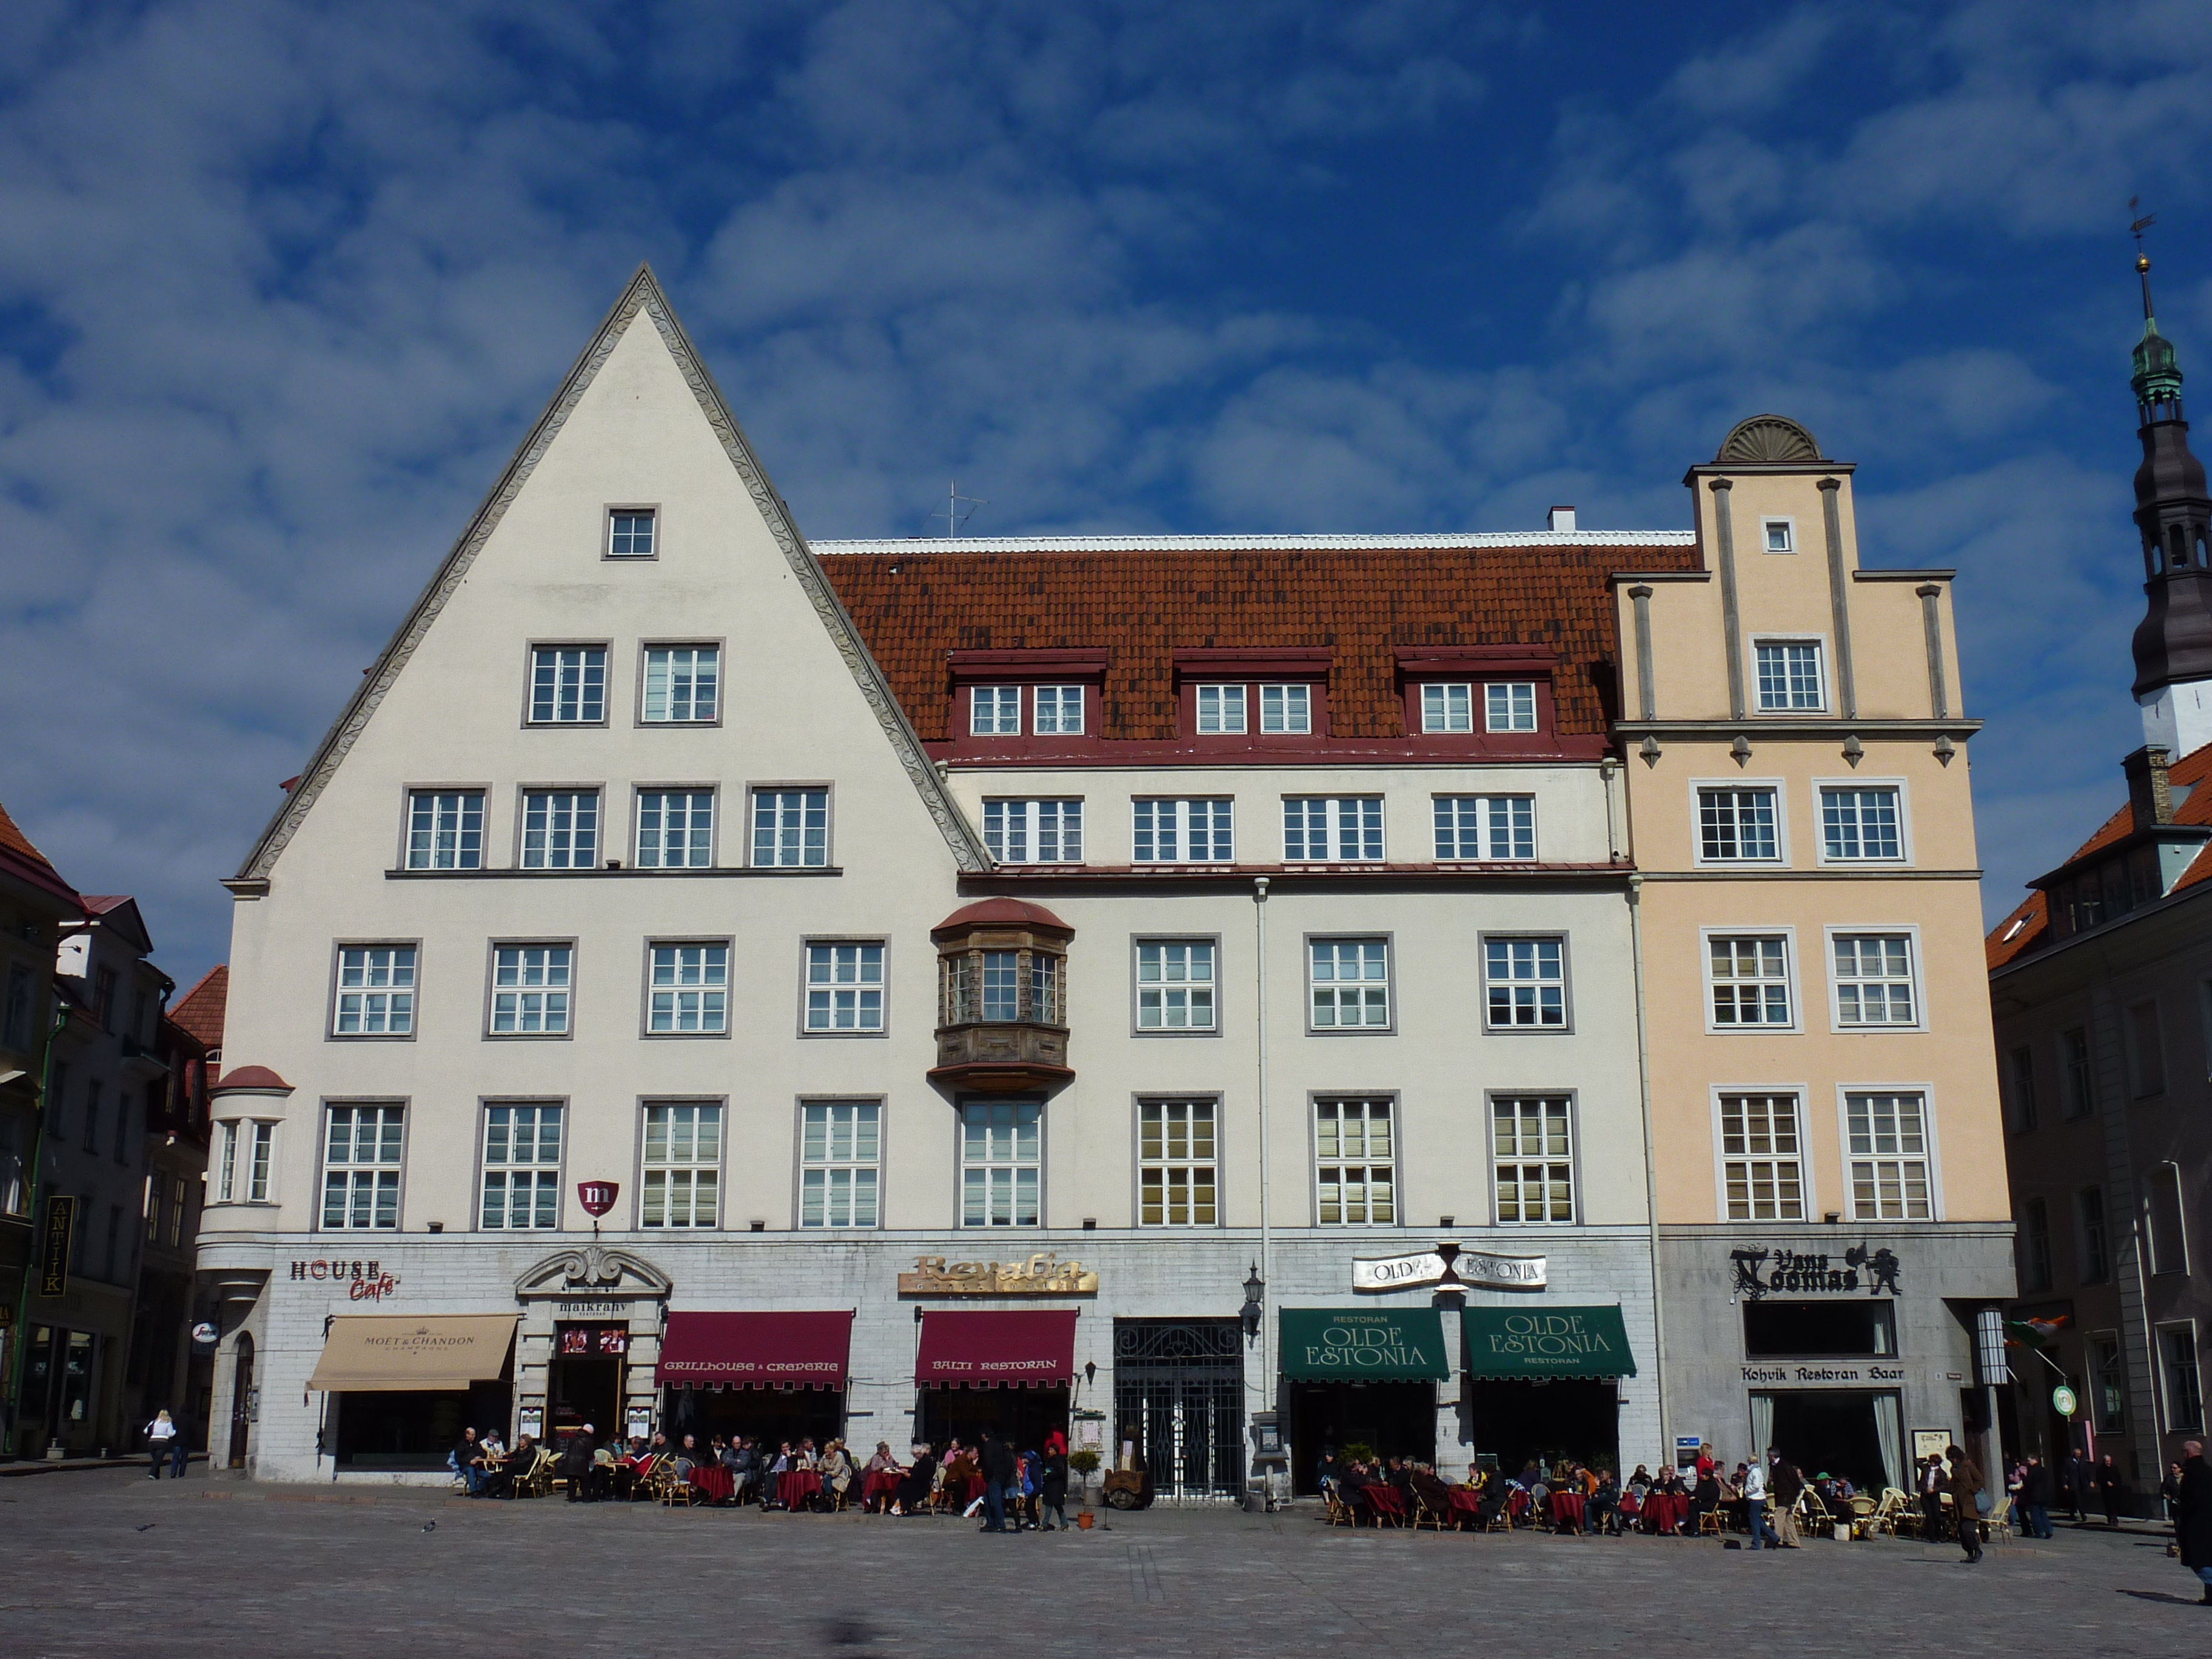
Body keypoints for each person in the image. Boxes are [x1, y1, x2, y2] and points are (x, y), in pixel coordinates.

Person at [2172, 1439, 2211, 1606]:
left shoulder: (2191, 1474)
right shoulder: (2209, 1471)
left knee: (2198, 1561)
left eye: (2183, 1452)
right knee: (2209, 1559)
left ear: (2188, 1453)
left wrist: (2182, 1508)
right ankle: (2210, 1596)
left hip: (2196, 1524)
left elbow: (2190, 1501)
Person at [1946, 1445, 1985, 1563]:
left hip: (1970, 1502)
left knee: (1968, 1529)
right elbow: (1953, 1484)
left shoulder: (1968, 1466)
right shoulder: (1954, 1469)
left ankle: (1977, 1550)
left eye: (1953, 1458)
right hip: (1959, 1502)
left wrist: (1972, 1490)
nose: (1952, 1460)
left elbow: (1979, 1480)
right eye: (1950, 1459)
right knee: (1962, 1531)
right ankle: (1969, 1553)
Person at [979, 1428, 1015, 1533]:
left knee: (995, 1501)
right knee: (988, 1500)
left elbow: (988, 1462)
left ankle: (999, 1524)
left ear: (984, 1435)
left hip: (994, 1477)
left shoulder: (989, 1446)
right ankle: (991, 1523)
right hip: (1002, 1476)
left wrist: (988, 1475)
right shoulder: (1001, 1445)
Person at [1769, 1450, 1803, 1548]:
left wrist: (1794, 1493)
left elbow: (1795, 1479)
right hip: (1783, 1495)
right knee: (1789, 1519)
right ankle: (1794, 1542)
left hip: (1786, 1496)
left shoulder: (1784, 1466)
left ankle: (1777, 1540)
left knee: (1778, 1517)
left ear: (1772, 1456)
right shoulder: (1774, 1465)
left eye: (1768, 1455)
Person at [893, 1444, 937, 1517]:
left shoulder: (925, 1462)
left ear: (919, 1453)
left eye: (915, 1455)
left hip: (922, 1485)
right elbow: (916, 1471)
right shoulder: (922, 1460)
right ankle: (902, 1506)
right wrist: (908, 1470)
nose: (914, 1457)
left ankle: (907, 1509)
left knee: (903, 1487)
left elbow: (918, 1476)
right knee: (902, 1482)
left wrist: (907, 1474)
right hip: (919, 1482)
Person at [1743, 1452, 1775, 1550]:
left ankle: (1757, 1543)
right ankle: (1774, 1537)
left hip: (1756, 1498)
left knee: (1754, 1522)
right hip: (1757, 1498)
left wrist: (1747, 1490)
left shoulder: (1755, 1471)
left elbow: (1756, 1485)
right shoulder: (1755, 1471)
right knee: (1759, 1521)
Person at [1039, 1432, 1070, 1531]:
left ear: (1056, 1451)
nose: (1049, 1451)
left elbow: (1060, 1473)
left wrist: (1050, 1475)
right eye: (1049, 1449)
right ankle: (1064, 1523)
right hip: (1050, 1487)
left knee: (1049, 1507)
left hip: (1055, 1488)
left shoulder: (1058, 1461)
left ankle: (1044, 1524)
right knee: (1057, 1507)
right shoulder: (1049, 1460)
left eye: (1051, 1449)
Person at [2019, 1453, 2054, 1539]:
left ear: (2034, 1460)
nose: (2027, 1462)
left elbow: (2029, 1483)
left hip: (2034, 1496)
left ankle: (2039, 1532)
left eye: (2029, 1460)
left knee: (2035, 1515)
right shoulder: (2043, 1469)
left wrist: (2024, 1479)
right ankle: (2049, 1530)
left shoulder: (2032, 1470)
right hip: (2043, 1496)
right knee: (2043, 1513)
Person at [1918, 1453, 1946, 1539]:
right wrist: (1926, 1460)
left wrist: (1935, 1489)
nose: (1932, 1464)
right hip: (1925, 1495)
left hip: (1935, 1495)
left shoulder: (1942, 1473)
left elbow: (1944, 1485)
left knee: (1937, 1516)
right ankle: (1931, 1535)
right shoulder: (1926, 1469)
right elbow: (1916, 1462)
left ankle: (1939, 1534)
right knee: (1929, 1516)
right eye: (1931, 1462)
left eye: (1934, 1462)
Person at [144, 1410, 179, 1480]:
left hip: (152, 1442)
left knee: (155, 1459)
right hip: (162, 1442)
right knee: (158, 1460)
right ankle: (152, 1473)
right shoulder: (168, 1423)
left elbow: (145, 1431)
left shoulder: (154, 1422)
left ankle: (157, 1475)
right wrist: (175, 1432)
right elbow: (170, 1434)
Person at [2097, 1453, 2123, 1527]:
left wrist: (2115, 1484)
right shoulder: (2100, 1469)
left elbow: (2119, 1478)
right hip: (2106, 1491)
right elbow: (2099, 1479)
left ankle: (2115, 1518)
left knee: (2115, 1505)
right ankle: (2111, 1518)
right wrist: (2106, 1483)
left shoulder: (2115, 1468)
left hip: (2115, 1490)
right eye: (2106, 1461)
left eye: (2109, 1461)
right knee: (2109, 1506)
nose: (2108, 1463)